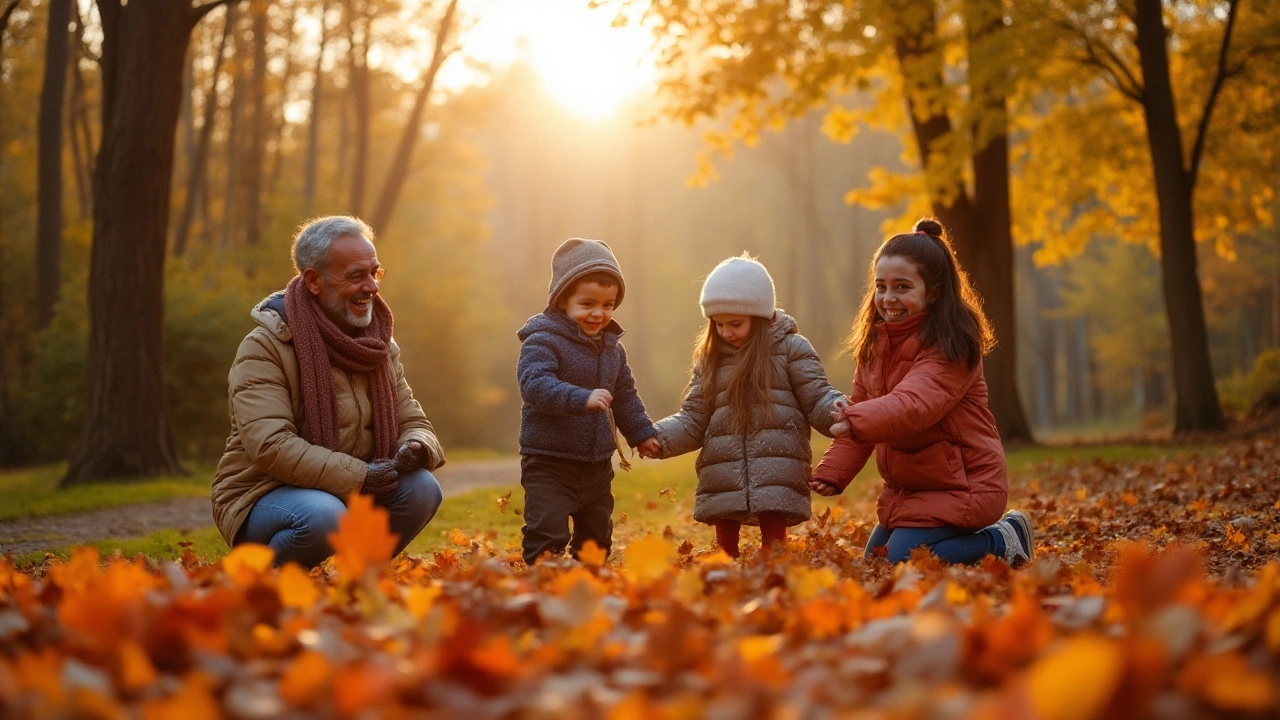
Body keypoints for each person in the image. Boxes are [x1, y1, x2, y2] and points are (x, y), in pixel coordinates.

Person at [211, 216, 445, 568]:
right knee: (324, 516)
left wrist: (414, 447)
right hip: (263, 493)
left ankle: (354, 584)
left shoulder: (377, 345)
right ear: (314, 281)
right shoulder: (266, 346)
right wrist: (361, 477)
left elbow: (413, 420)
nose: (372, 287)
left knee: (422, 489)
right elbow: (271, 446)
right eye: (355, 276)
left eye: (374, 273)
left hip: (354, 487)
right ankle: (262, 585)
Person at [811, 218, 1033, 566]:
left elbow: (912, 405)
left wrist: (853, 419)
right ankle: (969, 541)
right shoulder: (876, 345)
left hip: (964, 484)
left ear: (934, 291)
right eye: (881, 287)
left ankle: (1003, 539)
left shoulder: (951, 347)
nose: (888, 298)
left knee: (902, 560)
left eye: (902, 287)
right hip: (913, 487)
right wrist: (832, 472)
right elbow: (862, 414)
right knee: (878, 560)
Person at [640, 254, 846, 558]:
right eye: (718, 324)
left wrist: (837, 411)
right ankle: (724, 566)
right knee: (725, 521)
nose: (726, 332)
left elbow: (817, 396)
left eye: (735, 323)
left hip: (778, 458)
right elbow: (693, 417)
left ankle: (774, 566)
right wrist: (660, 437)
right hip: (723, 461)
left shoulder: (792, 350)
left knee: (773, 523)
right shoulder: (710, 360)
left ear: (760, 316)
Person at [516, 238, 660, 565]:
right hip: (550, 462)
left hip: (596, 467)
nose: (598, 313)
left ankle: (588, 587)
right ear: (563, 300)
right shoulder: (542, 341)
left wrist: (641, 434)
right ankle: (544, 588)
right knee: (547, 534)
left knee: (596, 538)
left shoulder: (612, 349)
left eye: (608, 305)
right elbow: (535, 385)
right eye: (588, 303)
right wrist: (581, 398)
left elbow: (625, 396)